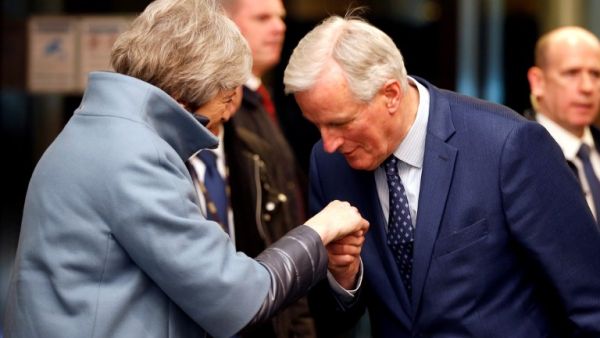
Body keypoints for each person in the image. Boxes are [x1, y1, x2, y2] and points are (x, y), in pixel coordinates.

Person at [2, 2, 369, 338]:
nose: (227, 114)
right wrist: (318, 230)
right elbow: (235, 298)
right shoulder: (136, 155)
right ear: (185, 92)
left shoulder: (97, 130)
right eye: (226, 99)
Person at [283, 14, 600, 337]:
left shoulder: (507, 146)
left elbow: (589, 299)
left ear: (391, 94)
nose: (329, 142)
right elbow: (329, 318)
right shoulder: (328, 164)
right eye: (316, 125)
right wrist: (342, 276)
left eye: (340, 123)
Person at [189, 2, 316, 336]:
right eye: (262, 18)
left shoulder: (268, 99)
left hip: (281, 293)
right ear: (225, 27)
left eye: (281, 18)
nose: (278, 28)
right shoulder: (218, 115)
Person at [526, 26, 600, 224]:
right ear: (538, 82)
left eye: (595, 74)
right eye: (571, 73)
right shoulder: (517, 156)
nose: (587, 87)